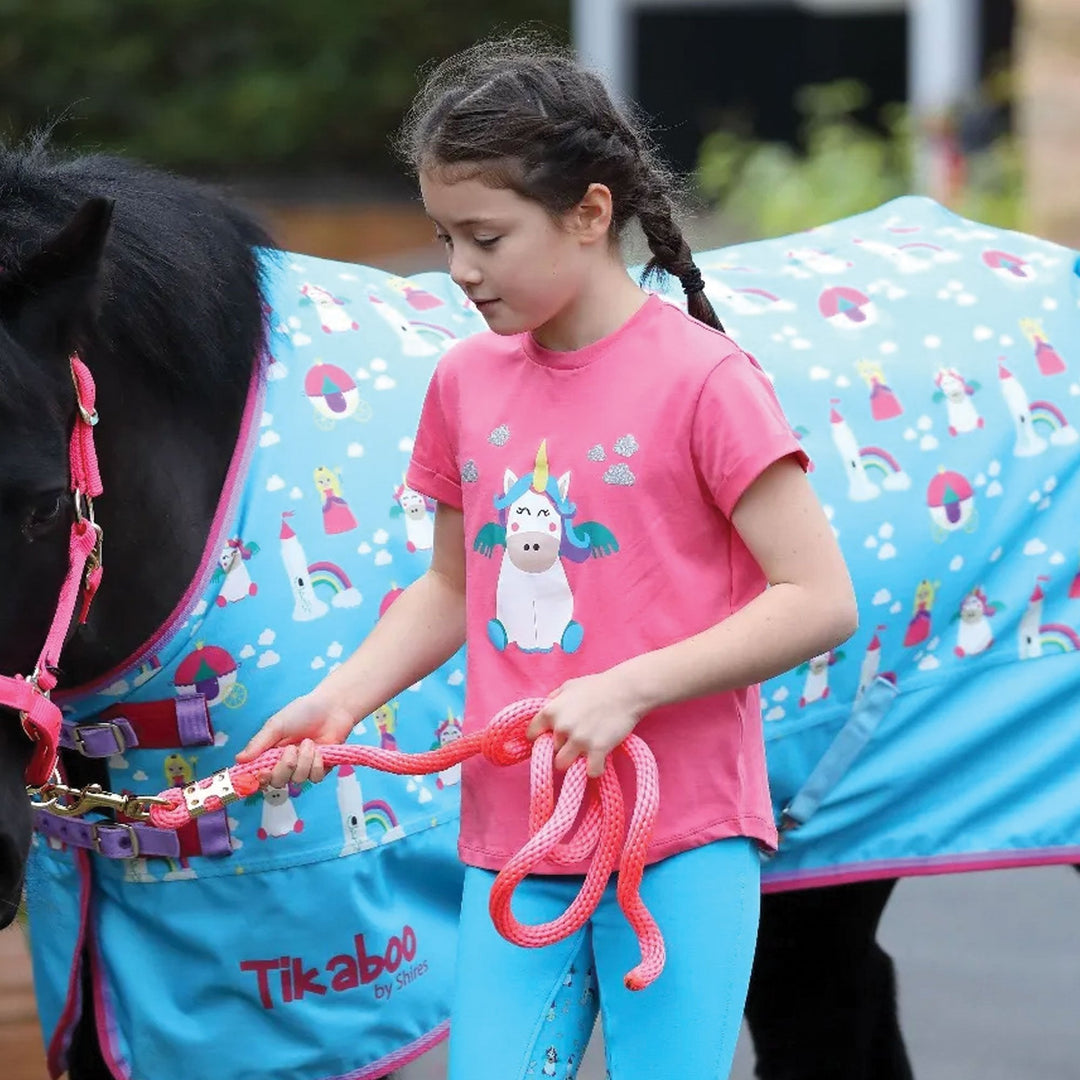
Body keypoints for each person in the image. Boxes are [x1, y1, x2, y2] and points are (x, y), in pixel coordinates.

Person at [237, 34, 857, 1080]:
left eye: (485, 236)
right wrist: (338, 702)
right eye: (442, 237)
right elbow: (453, 584)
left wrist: (629, 687)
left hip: (682, 839)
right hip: (514, 835)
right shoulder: (465, 384)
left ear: (590, 213)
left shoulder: (707, 381)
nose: (459, 270)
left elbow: (818, 598)